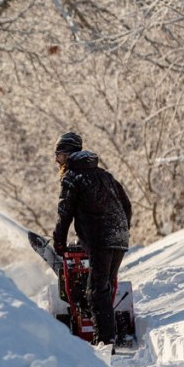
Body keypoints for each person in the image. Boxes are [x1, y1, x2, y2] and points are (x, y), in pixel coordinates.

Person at [52, 131, 132, 347]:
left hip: (100, 240)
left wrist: (58, 242)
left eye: (58, 155)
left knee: (97, 292)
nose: (57, 161)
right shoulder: (105, 175)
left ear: (68, 155)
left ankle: (105, 342)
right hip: (119, 237)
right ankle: (108, 335)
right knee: (105, 287)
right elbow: (126, 205)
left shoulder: (73, 176)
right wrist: (122, 230)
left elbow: (65, 212)